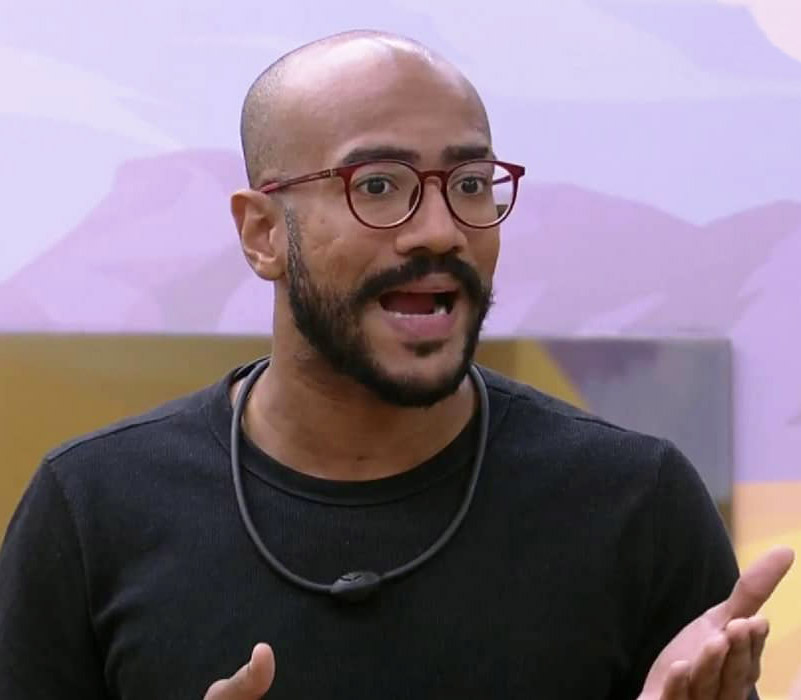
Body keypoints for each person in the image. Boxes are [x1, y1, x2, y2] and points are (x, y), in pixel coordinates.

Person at [0, 30, 794, 700]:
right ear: (262, 234)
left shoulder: (637, 504)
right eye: (378, 185)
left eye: (470, 184)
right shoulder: (90, 507)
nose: (441, 230)